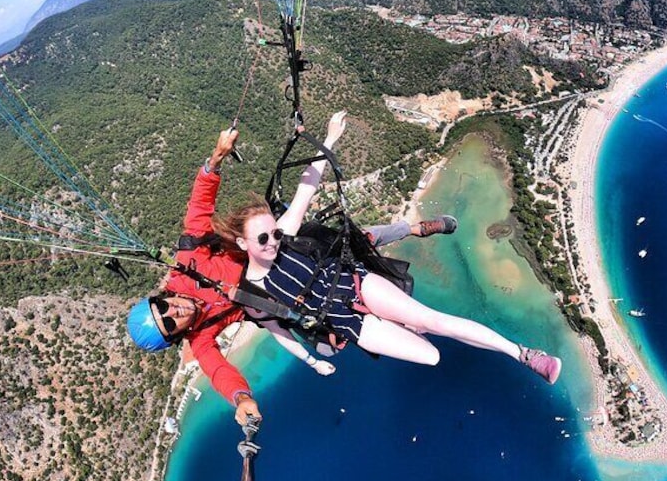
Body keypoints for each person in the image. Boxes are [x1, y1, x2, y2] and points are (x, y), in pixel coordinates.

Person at [127, 125, 460, 424]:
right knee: (330, 333)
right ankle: (402, 323)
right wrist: (242, 399)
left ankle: (413, 228)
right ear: (175, 336)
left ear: (163, 296)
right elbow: (219, 372)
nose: (176, 312)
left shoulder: (188, 265)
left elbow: (197, 211)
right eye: (170, 324)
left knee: (352, 240)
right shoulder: (200, 338)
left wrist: (216, 158)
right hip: (276, 296)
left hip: (269, 252)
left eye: (164, 308)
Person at [218, 111, 562, 383]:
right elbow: (280, 332)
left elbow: (306, 187)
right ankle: (408, 321)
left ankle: (523, 354)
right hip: (345, 323)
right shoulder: (253, 294)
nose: (273, 242)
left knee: (434, 320)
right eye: (263, 239)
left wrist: (330, 139)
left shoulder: (286, 232)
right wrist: (313, 362)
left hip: (352, 284)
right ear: (242, 243)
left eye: (274, 234)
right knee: (432, 355)